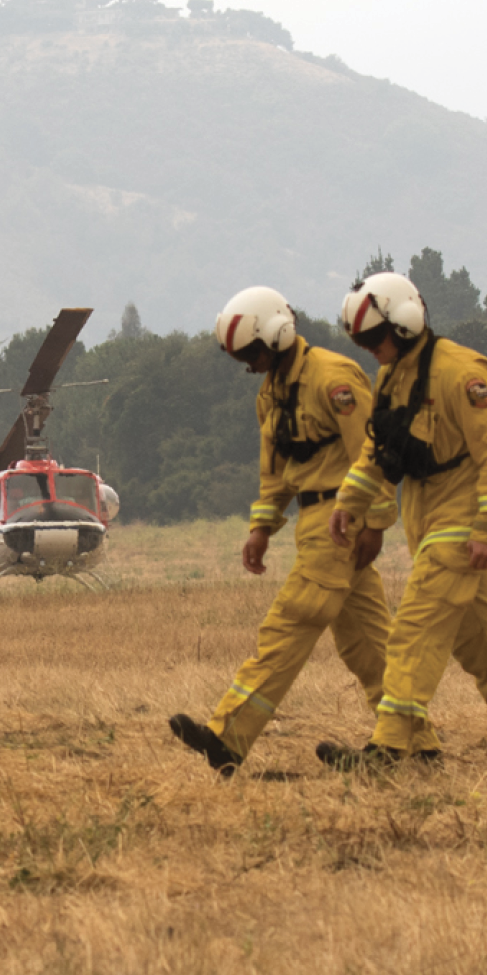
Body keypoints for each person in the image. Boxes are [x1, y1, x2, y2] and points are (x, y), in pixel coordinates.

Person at [321, 270, 487, 771]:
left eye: (373, 338)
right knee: (484, 646)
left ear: (403, 325)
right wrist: (349, 504)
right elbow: (377, 451)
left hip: (460, 525)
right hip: (427, 523)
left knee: (413, 631)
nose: (368, 350)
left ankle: (389, 749)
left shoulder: (460, 371)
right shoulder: (392, 379)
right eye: (360, 341)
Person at [169, 287, 391, 775]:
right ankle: (413, 743)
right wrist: (261, 528)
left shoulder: (334, 378)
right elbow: (276, 472)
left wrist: (374, 520)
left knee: (289, 625)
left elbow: (373, 450)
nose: (249, 365)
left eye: (252, 353)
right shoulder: (270, 394)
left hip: (341, 519)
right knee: (368, 645)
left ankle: (227, 738)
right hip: (313, 522)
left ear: (278, 333)